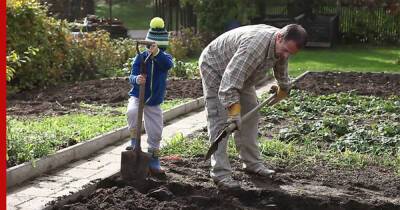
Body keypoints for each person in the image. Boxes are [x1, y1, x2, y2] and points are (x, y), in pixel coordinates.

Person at [199, 24, 307, 189]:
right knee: (220, 120)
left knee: (251, 114)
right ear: (279, 37)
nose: (286, 55)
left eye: (290, 53)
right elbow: (230, 83)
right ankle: (220, 173)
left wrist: (284, 88)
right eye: (285, 50)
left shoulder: (281, 46)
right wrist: (234, 111)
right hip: (216, 66)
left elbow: (281, 66)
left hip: (242, 73)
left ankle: (252, 164)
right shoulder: (254, 46)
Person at [126, 17, 173, 175]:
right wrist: (137, 79)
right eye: (149, 46)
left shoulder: (164, 58)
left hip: (153, 101)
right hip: (138, 96)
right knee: (132, 112)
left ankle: (154, 159)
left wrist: (157, 53)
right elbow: (131, 77)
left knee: (156, 131)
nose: (150, 49)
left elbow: (168, 65)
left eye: (154, 46)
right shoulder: (140, 58)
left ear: (160, 47)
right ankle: (134, 143)